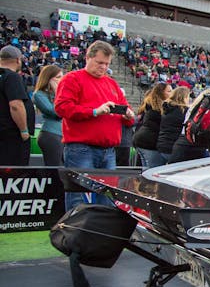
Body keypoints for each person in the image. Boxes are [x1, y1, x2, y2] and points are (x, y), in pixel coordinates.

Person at [55, 40, 135, 210]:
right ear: (88, 58)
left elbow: (127, 115)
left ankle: (101, 225)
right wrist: (94, 112)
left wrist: (128, 115)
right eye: (100, 62)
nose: (103, 67)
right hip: (81, 148)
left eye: (107, 64)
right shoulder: (72, 79)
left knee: (107, 196)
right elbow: (62, 107)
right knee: (79, 195)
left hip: (108, 150)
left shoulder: (111, 84)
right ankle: (76, 225)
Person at [0, 45, 35, 166]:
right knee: (15, 172)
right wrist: (24, 130)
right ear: (17, 60)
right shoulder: (12, 77)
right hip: (11, 135)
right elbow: (16, 105)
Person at [132, 82, 171, 169]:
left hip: (142, 140)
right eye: (169, 91)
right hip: (149, 143)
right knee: (153, 172)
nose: (171, 93)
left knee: (146, 171)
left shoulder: (151, 106)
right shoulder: (158, 109)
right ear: (161, 93)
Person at [32, 65, 64, 166]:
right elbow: (56, 112)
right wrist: (58, 92)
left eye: (62, 77)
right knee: (55, 168)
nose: (61, 80)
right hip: (51, 134)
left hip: (64, 135)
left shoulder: (63, 94)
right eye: (58, 77)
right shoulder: (39, 94)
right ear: (48, 78)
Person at [156, 86, 190, 163]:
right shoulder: (184, 111)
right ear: (184, 97)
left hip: (162, 145)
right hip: (174, 147)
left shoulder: (166, 108)